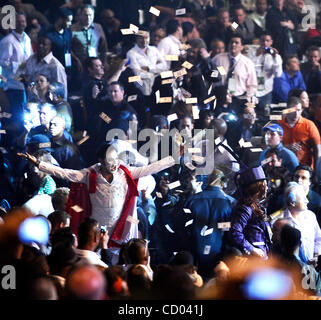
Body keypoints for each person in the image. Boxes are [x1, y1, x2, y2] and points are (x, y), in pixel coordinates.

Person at [17, 143, 176, 260]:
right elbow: (65, 173)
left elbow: (152, 168)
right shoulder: (89, 174)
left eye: (115, 159)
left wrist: (174, 158)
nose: (113, 164)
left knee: (117, 261)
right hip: (96, 227)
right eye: (109, 160)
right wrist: (39, 164)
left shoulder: (125, 173)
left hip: (120, 227)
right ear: (100, 160)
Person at [183, 169, 235, 278]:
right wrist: (219, 226)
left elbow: (184, 227)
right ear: (223, 183)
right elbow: (230, 229)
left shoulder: (191, 200)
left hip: (194, 254)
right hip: (219, 255)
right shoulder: (230, 202)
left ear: (207, 181)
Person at [270, 182, 321, 262]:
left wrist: (316, 255)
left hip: (311, 268)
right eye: (303, 198)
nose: (307, 201)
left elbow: (318, 238)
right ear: (292, 203)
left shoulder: (311, 216)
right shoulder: (278, 222)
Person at [228, 166, 272, 259]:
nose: (267, 188)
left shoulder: (256, 206)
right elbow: (235, 232)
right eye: (265, 184)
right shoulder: (245, 208)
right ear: (258, 187)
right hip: (253, 259)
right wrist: (252, 249)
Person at [212, 35, 257, 114]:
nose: (233, 45)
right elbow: (210, 77)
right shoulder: (218, 59)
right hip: (219, 97)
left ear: (242, 46)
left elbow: (252, 85)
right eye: (231, 42)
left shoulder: (247, 63)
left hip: (238, 99)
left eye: (236, 43)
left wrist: (249, 101)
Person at [0, 12, 33, 119]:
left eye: (23, 21)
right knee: (17, 114)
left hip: (26, 82)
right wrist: (19, 65)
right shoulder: (7, 41)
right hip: (13, 84)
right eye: (18, 22)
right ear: (13, 24)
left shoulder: (27, 38)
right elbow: (3, 62)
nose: (21, 24)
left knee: (26, 112)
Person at [279, 96, 321, 168]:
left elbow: (318, 148)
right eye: (293, 110)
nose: (296, 113)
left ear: (302, 110)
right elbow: (269, 148)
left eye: (298, 110)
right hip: (283, 167)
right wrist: (285, 148)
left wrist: (316, 171)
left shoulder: (309, 125)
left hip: (305, 167)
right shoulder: (279, 124)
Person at [246, 32, 283, 113]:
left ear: (271, 42)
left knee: (265, 114)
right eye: (263, 40)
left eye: (267, 41)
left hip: (266, 91)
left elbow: (278, 74)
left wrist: (275, 58)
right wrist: (257, 55)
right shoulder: (251, 52)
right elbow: (248, 68)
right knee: (250, 113)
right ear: (259, 41)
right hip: (252, 91)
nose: (265, 43)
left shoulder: (276, 56)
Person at [126, 30, 167, 97]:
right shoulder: (131, 53)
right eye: (141, 38)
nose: (144, 40)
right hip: (142, 89)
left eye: (146, 37)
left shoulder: (154, 49)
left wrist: (148, 68)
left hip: (157, 86)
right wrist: (157, 71)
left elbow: (164, 66)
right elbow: (138, 74)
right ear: (136, 38)